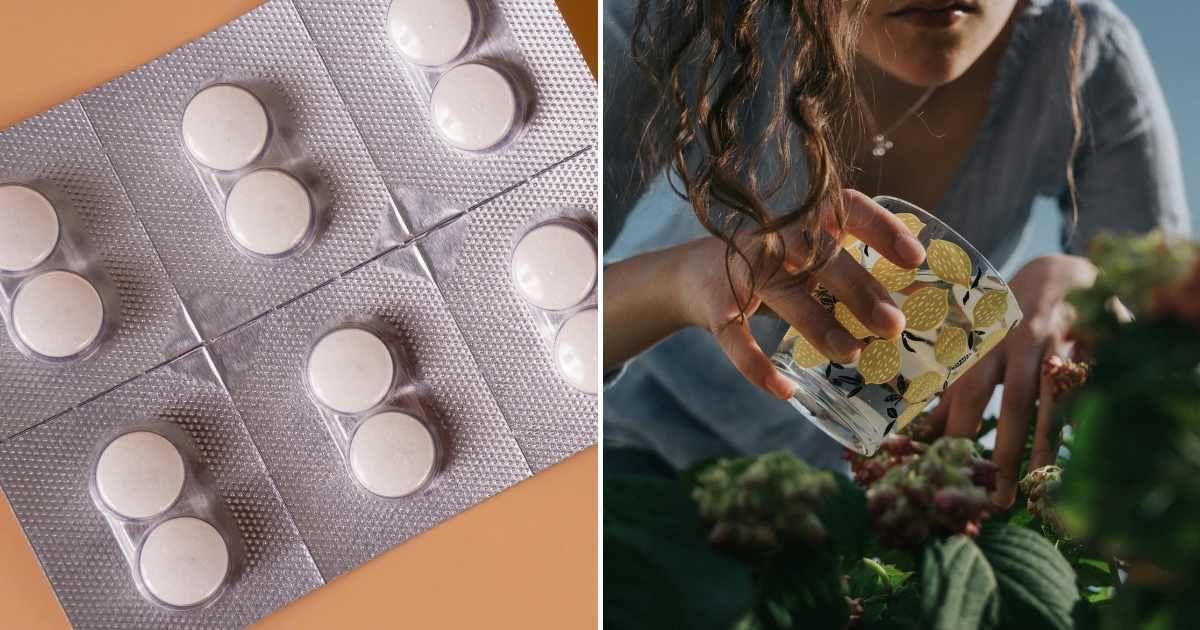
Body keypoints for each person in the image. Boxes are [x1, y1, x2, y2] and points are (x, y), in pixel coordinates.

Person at [602, 0, 1189, 506]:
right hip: (626, 451)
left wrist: (1088, 287)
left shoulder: (1084, 51)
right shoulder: (687, 15)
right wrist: (677, 283)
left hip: (855, 505)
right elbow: (541, 307)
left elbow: (1171, 340)